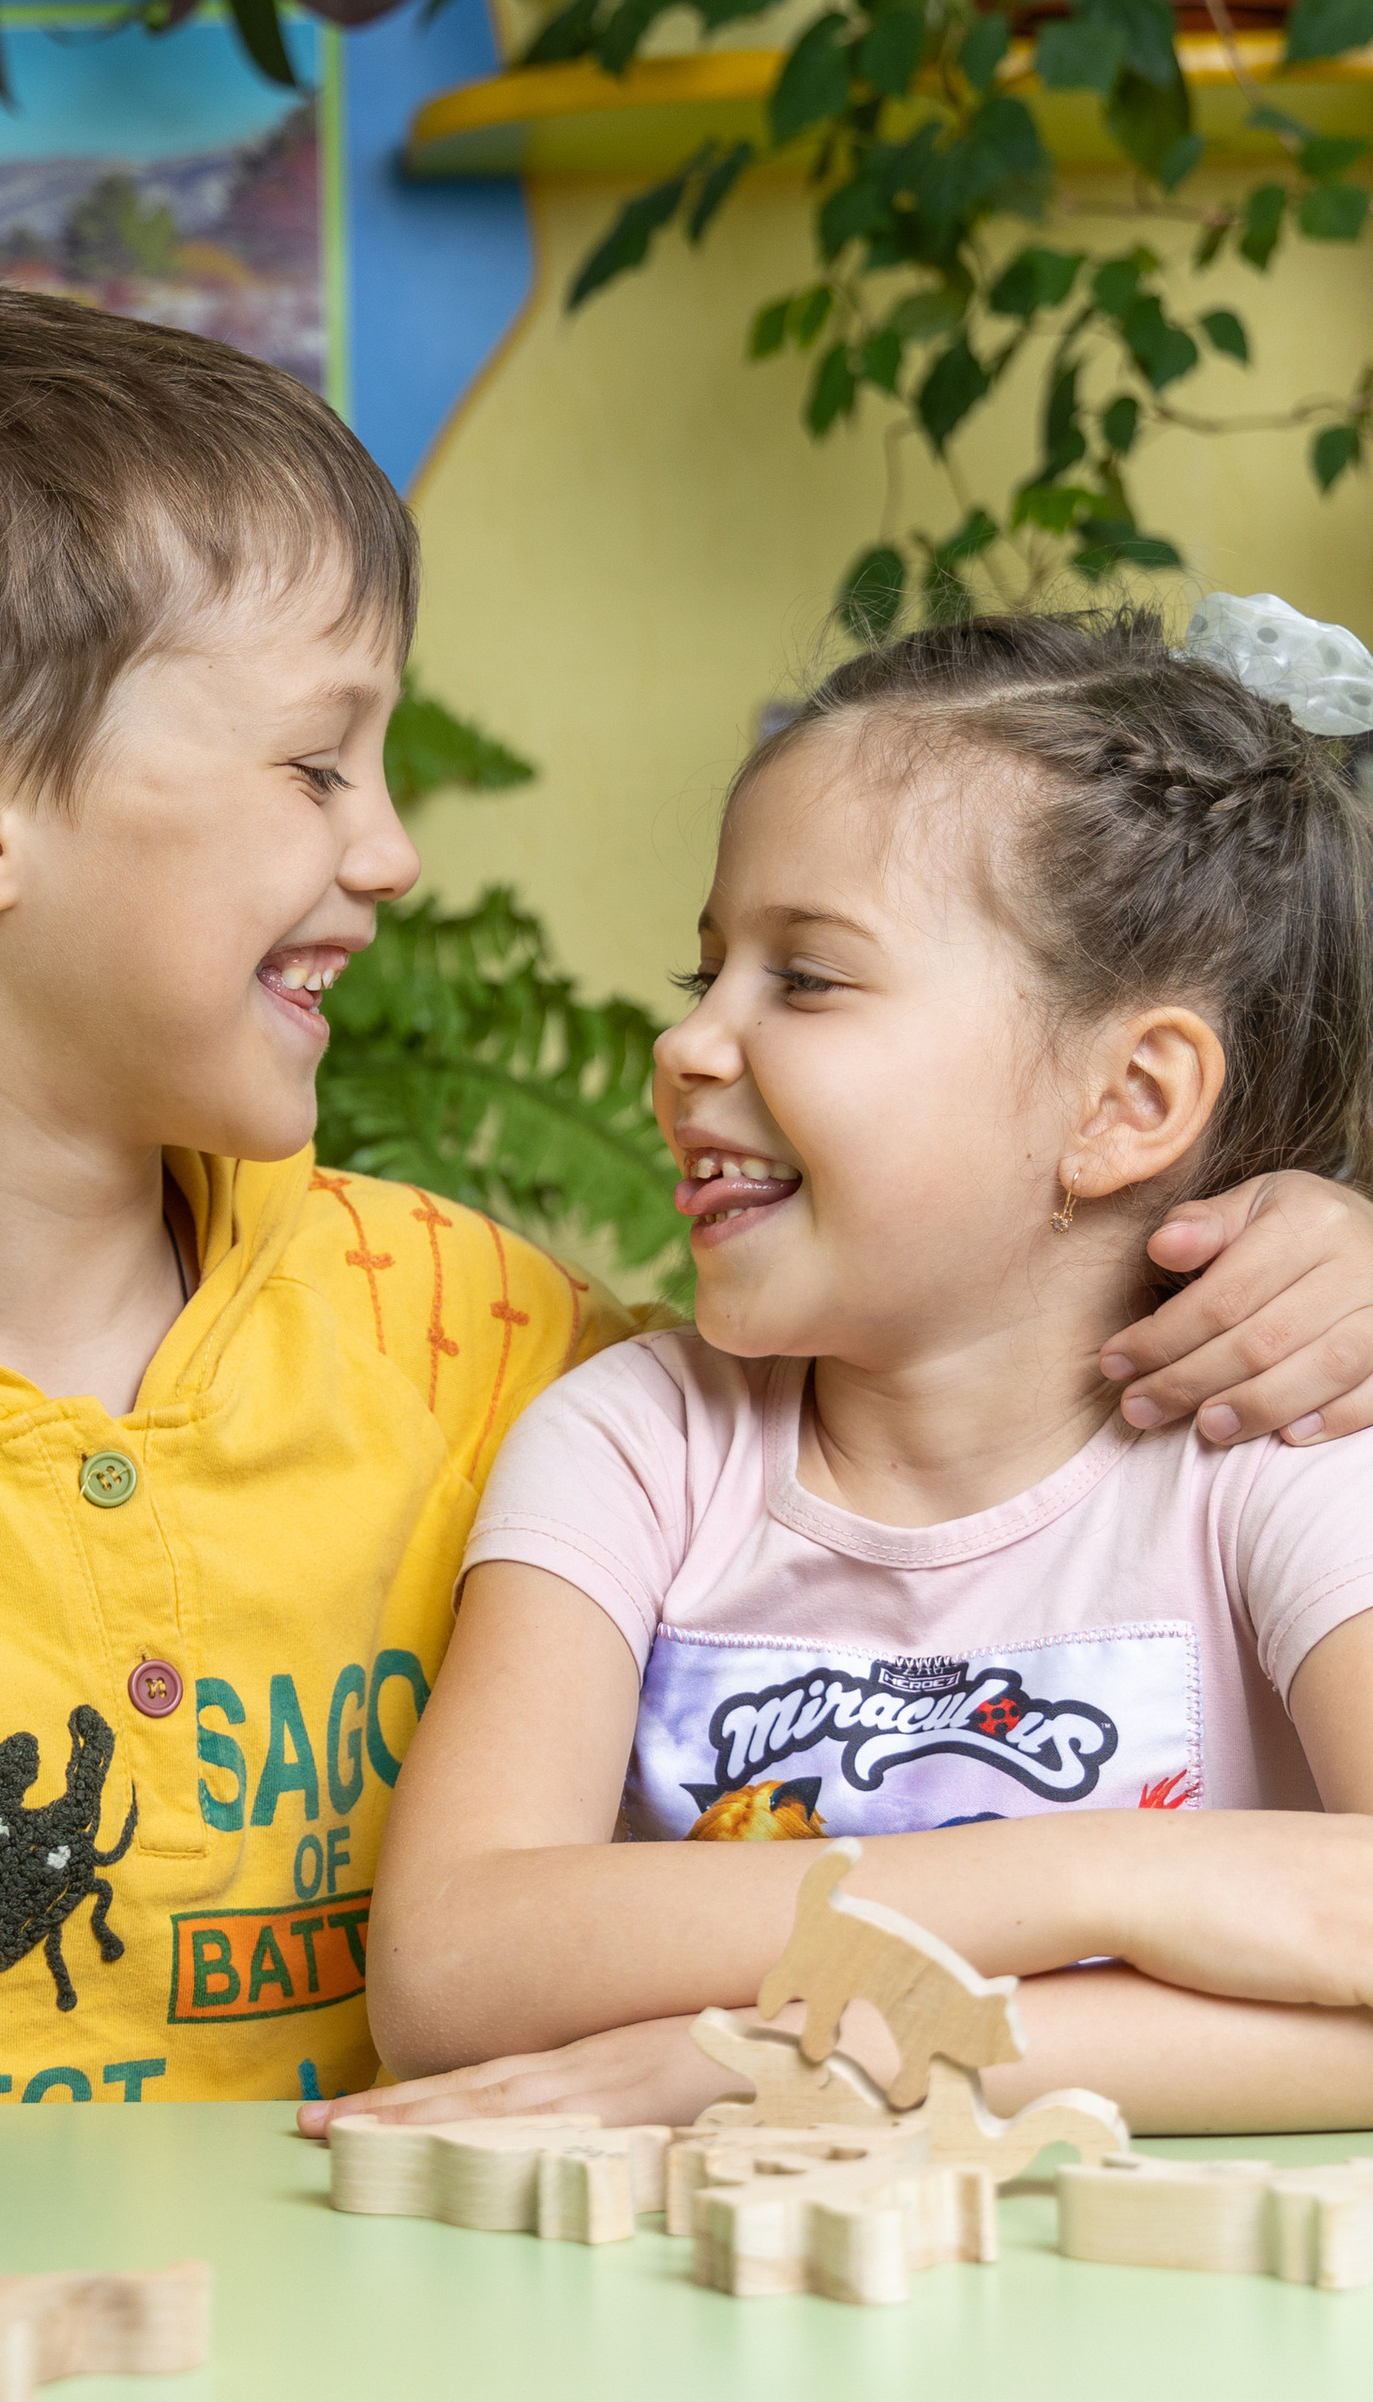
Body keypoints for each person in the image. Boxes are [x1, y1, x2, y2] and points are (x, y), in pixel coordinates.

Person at [0, 294, 1373, 2254]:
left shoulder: (470, 1324)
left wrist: (1300, 1235)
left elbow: (928, 1352)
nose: (385, 851)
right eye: (315, 759)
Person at [335, 600, 1373, 2142]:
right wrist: (1120, 1874)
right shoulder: (636, 1445)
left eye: (805, 981)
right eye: (707, 978)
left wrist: (818, 2055)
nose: (687, 1047)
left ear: (1126, 1102)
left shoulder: (1275, 1464)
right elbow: (451, 1962)